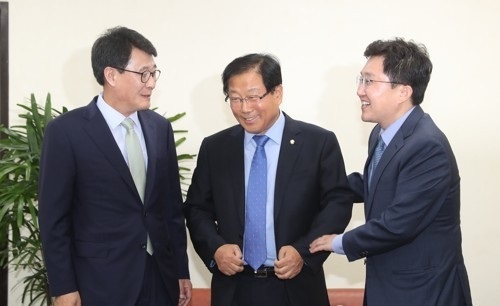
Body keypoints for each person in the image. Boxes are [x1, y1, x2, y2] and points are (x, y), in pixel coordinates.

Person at [309, 38, 473, 305]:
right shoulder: (382, 133)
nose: (360, 91)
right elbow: (376, 183)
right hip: (388, 286)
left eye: (369, 81)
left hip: (423, 292)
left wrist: (337, 242)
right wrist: (318, 186)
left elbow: (398, 224)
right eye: (360, 80)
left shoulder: (427, 146)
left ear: (403, 92)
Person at [38, 26, 192, 306]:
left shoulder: (160, 128)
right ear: (111, 75)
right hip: (98, 283)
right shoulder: (66, 132)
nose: (152, 82)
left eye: (154, 72)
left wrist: (181, 270)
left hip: (159, 279)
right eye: (143, 73)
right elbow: (53, 219)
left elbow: (170, 209)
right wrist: (64, 286)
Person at [183, 53, 353, 306]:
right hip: (234, 289)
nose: (245, 108)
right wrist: (216, 249)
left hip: (297, 287)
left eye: (253, 97)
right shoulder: (216, 148)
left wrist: (303, 252)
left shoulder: (317, 143)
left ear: (277, 93)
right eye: (236, 99)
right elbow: (197, 209)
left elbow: (337, 204)